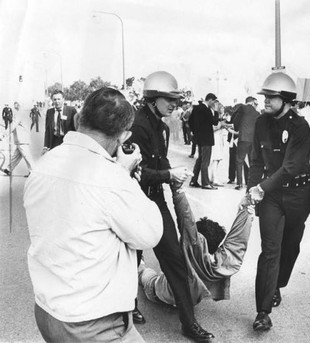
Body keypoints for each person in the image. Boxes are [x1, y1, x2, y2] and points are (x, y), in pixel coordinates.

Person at [23, 87, 163, 342]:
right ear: (124, 136)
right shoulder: (110, 178)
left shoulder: (44, 165)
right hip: (92, 321)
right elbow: (150, 233)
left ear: (79, 120)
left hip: (48, 310)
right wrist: (124, 173)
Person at [128, 71, 214, 342]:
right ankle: (129, 307)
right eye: (170, 99)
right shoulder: (136, 125)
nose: (175, 104)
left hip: (155, 199)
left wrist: (172, 174)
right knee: (132, 256)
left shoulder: (163, 128)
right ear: (153, 98)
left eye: (177, 99)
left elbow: (159, 162)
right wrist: (168, 175)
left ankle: (189, 324)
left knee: (174, 258)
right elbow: (137, 171)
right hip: (133, 200)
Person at [247, 71, 310, 331]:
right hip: (272, 197)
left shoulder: (300, 127)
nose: (264, 101)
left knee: (290, 247)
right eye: (265, 96)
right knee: (270, 250)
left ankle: (276, 285)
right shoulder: (261, 123)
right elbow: (256, 160)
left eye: (270, 97)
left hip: (297, 195)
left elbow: (291, 166)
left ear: (285, 99)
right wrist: (251, 189)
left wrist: (260, 187)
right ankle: (262, 311)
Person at [139, 183, 254, 306]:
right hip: (189, 301)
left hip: (159, 292)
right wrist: (246, 210)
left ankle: (140, 263)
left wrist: (177, 190)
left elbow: (186, 218)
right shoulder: (221, 264)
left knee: (143, 272)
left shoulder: (193, 250)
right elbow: (237, 241)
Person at [189, 93, 220, 190]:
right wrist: (216, 111)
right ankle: (205, 183)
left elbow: (190, 121)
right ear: (210, 100)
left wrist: (196, 133)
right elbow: (214, 121)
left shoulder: (197, 108)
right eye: (214, 101)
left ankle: (193, 181)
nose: (214, 104)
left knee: (200, 159)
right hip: (206, 138)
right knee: (205, 161)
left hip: (199, 138)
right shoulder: (206, 110)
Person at [233, 96, 260, 190]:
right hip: (253, 139)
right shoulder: (257, 113)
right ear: (253, 103)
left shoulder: (242, 108)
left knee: (239, 160)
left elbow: (235, 119)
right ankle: (250, 183)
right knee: (251, 161)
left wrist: (237, 128)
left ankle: (239, 183)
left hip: (243, 138)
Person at [0, 106, 34, 177]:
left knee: (26, 156)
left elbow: (13, 125)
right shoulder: (23, 113)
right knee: (16, 156)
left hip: (22, 139)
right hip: (21, 138)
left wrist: (3, 135)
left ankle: (33, 172)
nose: (15, 105)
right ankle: (8, 169)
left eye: (17, 103)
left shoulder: (19, 113)